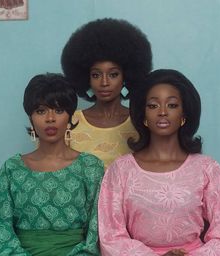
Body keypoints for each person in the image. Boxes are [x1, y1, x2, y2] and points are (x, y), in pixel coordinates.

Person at [98, 69, 220, 256]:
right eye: (153, 105)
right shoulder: (121, 170)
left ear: (184, 114)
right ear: (143, 115)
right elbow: (111, 234)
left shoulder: (207, 168)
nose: (163, 112)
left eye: (172, 105)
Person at [0, 73, 106, 256]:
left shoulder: (90, 168)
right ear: (31, 118)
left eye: (59, 110)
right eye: (41, 111)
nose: (50, 118)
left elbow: (99, 230)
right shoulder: (12, 169)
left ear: (71, 116)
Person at [61, 18, 152, 168]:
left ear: (125, 77)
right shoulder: (70, 122)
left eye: (113, 74)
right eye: (96, 75)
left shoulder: (141, 121)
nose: (104, 82)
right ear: (86, 78)